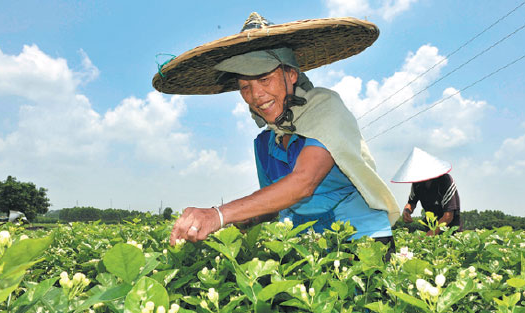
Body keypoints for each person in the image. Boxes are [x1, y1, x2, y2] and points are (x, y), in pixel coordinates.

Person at [153, 13, 400, 251]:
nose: (256, 95)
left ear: (291, 75)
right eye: (245, 87)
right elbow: (271, 203)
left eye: (264, 79)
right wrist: (240, 221)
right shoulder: (264, 143)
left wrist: (218, 215)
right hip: (308, 246)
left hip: (359, 239)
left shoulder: (326, 107)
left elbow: (303, 183)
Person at [391, 147, 463, 235]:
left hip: (450, 230)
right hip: (430, 226)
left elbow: (448, 216)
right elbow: (411, 202)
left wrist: (429, 235)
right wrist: (407, 211)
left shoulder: (445, 180)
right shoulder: (417, 183)